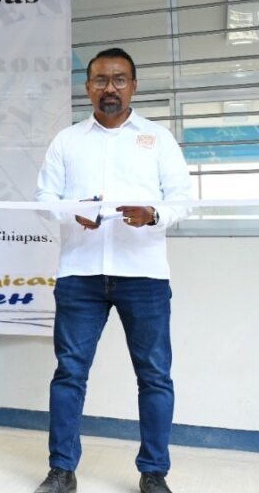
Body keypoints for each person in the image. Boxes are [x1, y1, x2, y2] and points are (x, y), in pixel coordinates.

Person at [33, 48, 193, 493]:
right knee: (69, 373)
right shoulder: (68, 141)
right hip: (80, 275)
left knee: (155, 376)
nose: (110, 88)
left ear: (134, 86)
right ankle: (62, 470)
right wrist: (71, 212)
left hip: (143, 274)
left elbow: (183, 198)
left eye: (119, 80)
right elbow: (44, 199)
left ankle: (154, 473)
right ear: (87, 88)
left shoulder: (158, 139)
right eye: (101, 80)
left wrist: (154, 214)